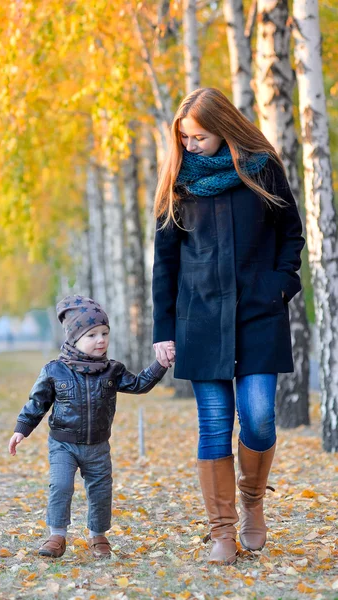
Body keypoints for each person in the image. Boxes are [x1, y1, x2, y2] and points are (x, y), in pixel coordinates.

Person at [152, 88, 305, 565]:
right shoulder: (177, 181)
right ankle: (222, 532)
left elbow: (291, 234)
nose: (190, 144)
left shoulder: (262, 168)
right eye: (184, 137)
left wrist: (279, 287)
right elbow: (165, 263)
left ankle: (252, 502)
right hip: (200, 319)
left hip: (259, 315)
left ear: (223, 128)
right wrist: (164, 329)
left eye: (199, 136)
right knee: (214, 425)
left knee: (258, 419)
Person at [8, 295, 168, 559]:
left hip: (98, 446)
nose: (101, 340)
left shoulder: (112, 370)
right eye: (92, 335)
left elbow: (140, 385)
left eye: (104, 333)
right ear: (73, 339)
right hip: (63, 444)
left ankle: (98, 536)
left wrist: (160, 364)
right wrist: (21, 429)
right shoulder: (54, 370)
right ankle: (57, 535)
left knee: (101, 490)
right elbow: (37, 403)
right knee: (60, 486)